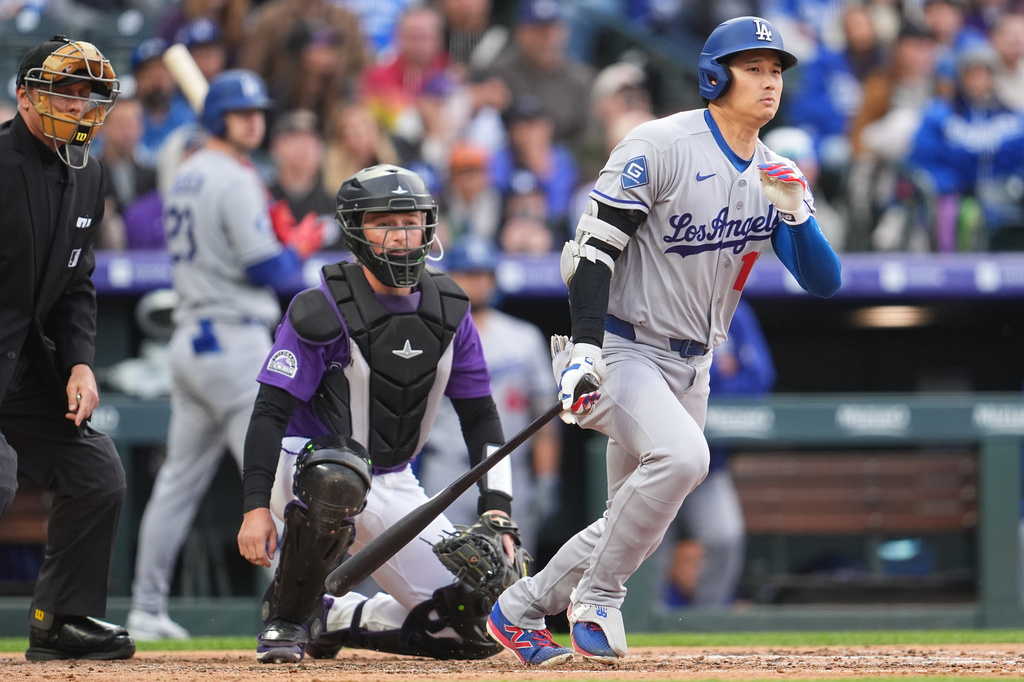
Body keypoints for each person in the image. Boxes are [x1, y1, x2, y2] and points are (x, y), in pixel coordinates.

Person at [486, 16, 841, 666]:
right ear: (713, 75)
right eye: (753, 67)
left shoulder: (775, 172)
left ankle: (518, 608)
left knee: (633, 519)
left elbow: (824, 281)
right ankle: (595, 601)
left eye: (775, 71)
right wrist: (586, 349)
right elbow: (592, 252)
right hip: (623, 346)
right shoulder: (659, 144)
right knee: (684, 460)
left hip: (694, 363)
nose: (769, 82)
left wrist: (796, 214)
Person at [236, 163, 526, 664]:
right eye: (384, 223)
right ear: (355, 230)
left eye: (411, 221)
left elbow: (482, 418)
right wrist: (255, 507)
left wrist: (497, 506)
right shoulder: (319, 308)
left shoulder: (452, 311)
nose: (401, 236)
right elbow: (268, 414)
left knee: (475, 621)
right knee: (338, 472)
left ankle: (337, 616)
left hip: (394, 479)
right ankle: (288, 616)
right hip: (309, 472)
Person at [125, 69, 320, 642]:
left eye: (259, 111)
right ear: (217, 119)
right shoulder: (235, 178)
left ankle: (145, 606)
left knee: (177, 483)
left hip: (189, 340)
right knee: (277, 481)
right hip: (233, 341)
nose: (255, 121)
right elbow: (270, 269)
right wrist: (295, 247)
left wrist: (278, 243)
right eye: (243, 113)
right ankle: (296, 612)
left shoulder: (186, 172)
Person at [0, 34, 135, 661]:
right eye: (64, 92)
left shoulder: (90, 172)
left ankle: (60, 621)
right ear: (24, 96)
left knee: (97, 473)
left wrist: (81, 361)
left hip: (27, 367)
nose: (79, 106)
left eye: (89, 95)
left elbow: (75, 284)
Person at [418, 235, 562, 558]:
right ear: (451, 277)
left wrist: (547, 477)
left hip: (510, 470)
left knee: (511, 575)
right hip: (446, 469)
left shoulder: (523, 338)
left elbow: (543, 420)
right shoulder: (430, 335)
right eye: (468, 273)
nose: (476, 282)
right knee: (437, 575)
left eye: (483, 273)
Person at [660, 299, 775, 609]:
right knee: (645, 544)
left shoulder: (736, 311)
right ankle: (645, 626)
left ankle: (704, 621)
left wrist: (710, 393)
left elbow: (759, 379)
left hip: (710, 463)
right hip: (652, 456)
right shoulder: (660, 301)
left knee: (725, 536)